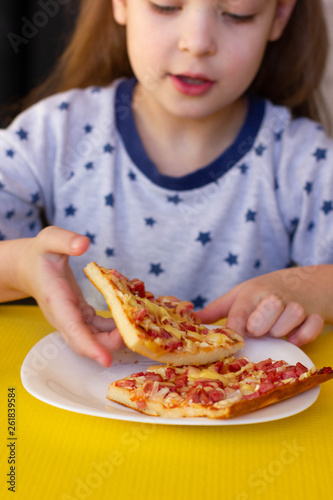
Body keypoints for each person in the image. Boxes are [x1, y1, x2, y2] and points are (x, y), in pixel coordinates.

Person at [0, 0, 332, 367]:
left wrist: (310, 289)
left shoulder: (304, 163)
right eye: (166, 6)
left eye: (237, 14)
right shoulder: (54, 135)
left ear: (279, 16)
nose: (197, 42)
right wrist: (17, 268)